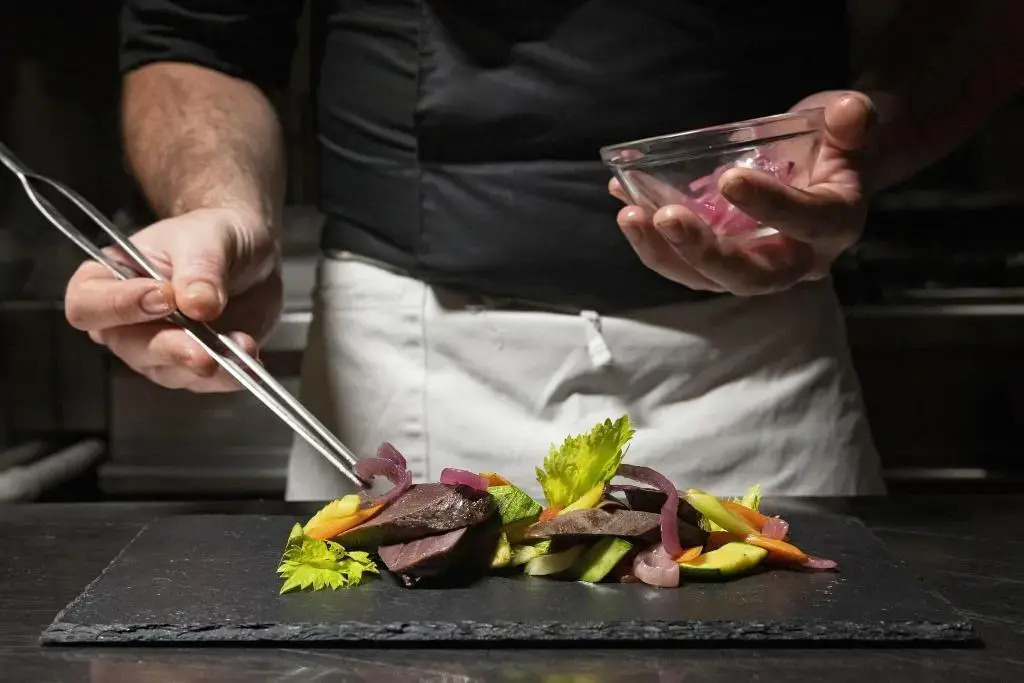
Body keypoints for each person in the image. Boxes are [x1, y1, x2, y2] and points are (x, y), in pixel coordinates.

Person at [64, 2, 1024, 500]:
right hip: (405, 369)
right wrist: (220, 208)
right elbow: (198, 39)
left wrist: (869, 137)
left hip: (762, 365)